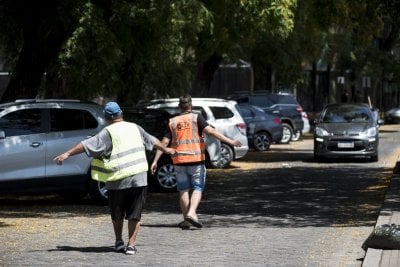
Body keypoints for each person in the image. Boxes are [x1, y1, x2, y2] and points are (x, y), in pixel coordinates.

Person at [53, 101, 175, 255]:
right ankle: (131, 245)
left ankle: (119, 241)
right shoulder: (135, 127)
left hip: (117, 180)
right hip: (138, 177)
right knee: (135, 214)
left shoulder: (108, 132)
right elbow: (153, 140)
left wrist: (68, 153)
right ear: (121, 113)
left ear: (106, 117)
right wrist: (166, 149)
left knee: (117, 214)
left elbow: (86, 145)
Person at [150, 94, 241, 229]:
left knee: (183, 190)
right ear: (191, 105)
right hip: (196, 160)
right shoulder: (196, 118)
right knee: (197, 188)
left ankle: (186, 220)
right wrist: (231, 141)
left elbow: (164, 142)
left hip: (179, 161)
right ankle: (192, 213)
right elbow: (211, 131)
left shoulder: (172, 121)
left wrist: (155, 161)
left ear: (179, 107)